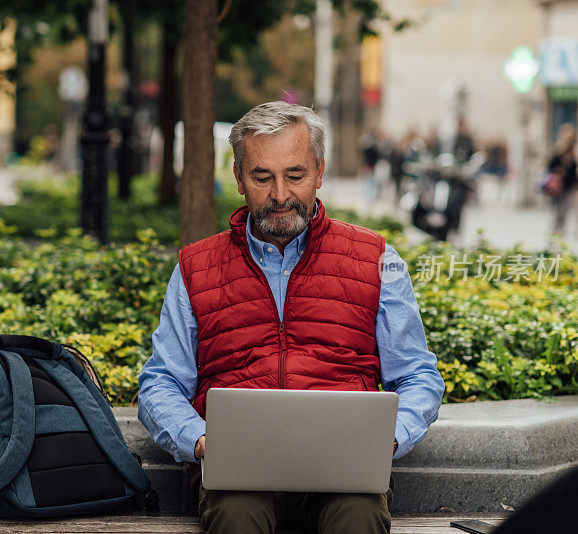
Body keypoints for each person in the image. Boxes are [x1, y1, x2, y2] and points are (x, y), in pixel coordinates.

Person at [138, 101, 445, 534]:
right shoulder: (196, 266)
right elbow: (162, 380)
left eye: (295, 176)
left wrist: (387, 438)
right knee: (236, 517)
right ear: (239, 177)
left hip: (345, 471)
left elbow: (417, 375)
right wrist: (200, 440)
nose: (280, 195)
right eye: (262, 176)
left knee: (359, 520)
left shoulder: (376, 259)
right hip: (236, 473)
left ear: (319, 172)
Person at [547, 124, 578, 235]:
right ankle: (556, 233)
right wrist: (559, 169)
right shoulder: (558, 152)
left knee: (562, 213)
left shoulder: (573, 154)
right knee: (558, 213)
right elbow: (550, 166)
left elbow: (574, 172)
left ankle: (558, 233)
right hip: (557, 188)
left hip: (567, 188)